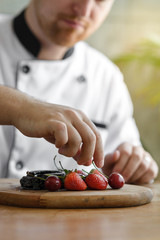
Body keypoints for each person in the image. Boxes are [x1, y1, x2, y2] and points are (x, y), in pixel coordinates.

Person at [0, 0, 158, 183]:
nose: (84, 10)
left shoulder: (106, 75)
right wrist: (22, 108)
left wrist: (135, 163)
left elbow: (126, 151)